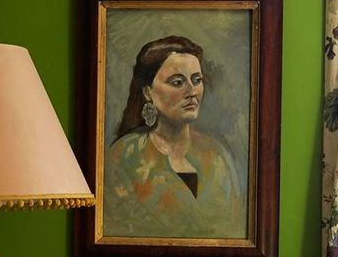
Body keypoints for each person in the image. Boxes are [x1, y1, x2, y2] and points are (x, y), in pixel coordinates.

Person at [104, 35, 246, 240]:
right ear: (148, 92)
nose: (191, 91)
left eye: (197, 80)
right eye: (177, 82)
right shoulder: (123, 157)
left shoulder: (217, 155)